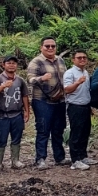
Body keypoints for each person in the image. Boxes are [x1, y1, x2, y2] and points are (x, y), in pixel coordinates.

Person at [27, 36, 68, 170]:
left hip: (60, 100)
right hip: (42, 101)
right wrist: (41, 78)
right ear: (41, 47)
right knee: (43, 130)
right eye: (47, 46)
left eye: (53, 46)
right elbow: (30, 80)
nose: (50, 48)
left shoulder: (60, 60)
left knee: (58, 130)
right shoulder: (36, 62)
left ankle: (60, 157)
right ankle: (41, 159)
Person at [0, 55, 30, 173]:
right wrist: (3, 86)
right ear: (3, 65)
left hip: (17, 114)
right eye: (9, 63)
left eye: (14, 63)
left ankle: (15, 161)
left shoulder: (20, 80)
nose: (11, 65)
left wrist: (27, 111)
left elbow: (25, 96)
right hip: (2, 115)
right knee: (1, 139)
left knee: (17, 138)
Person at [63, 49, 96, 170]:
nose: (82, 59)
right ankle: (75, 159)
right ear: (73, 60)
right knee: (76, 133)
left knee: (85, 132)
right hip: (75, 106)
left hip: (85, 106)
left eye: (84, 57)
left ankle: (83, 156)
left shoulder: (85, 72)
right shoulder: (70, 73)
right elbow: (66, 89)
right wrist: (77, 82)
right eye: (79, 58)